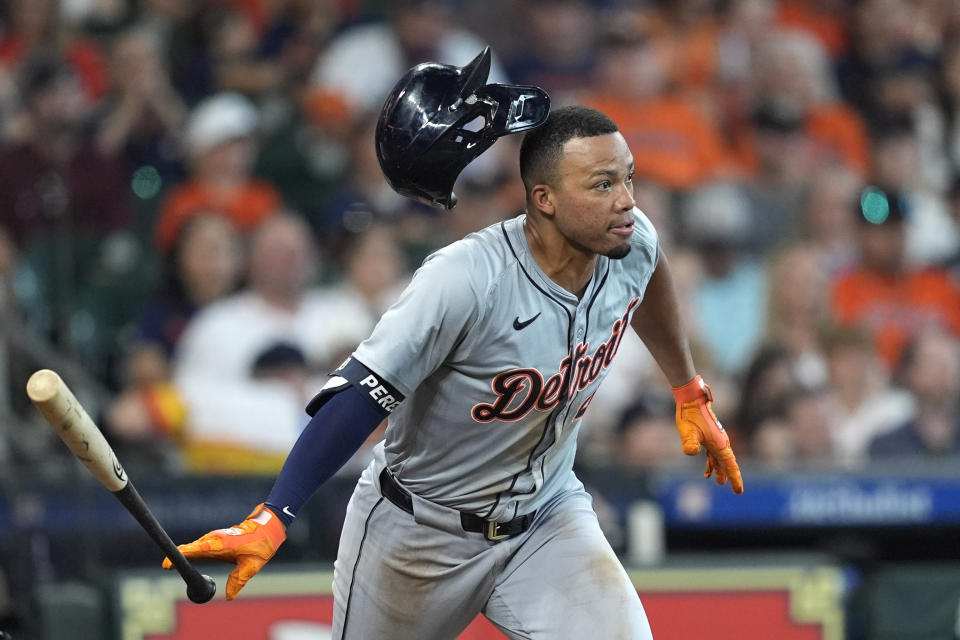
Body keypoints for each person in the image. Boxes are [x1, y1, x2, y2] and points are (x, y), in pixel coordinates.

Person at [165, 52, 742, 639]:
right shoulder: (465, 277)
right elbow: (362, 394)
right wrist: (274, 515)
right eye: (602, 184)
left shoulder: (630, 237)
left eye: (628, 177)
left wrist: (688, 388)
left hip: (546, 518)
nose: (626, 200)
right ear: (543, 199)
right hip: (419, 534)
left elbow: (650, 276)